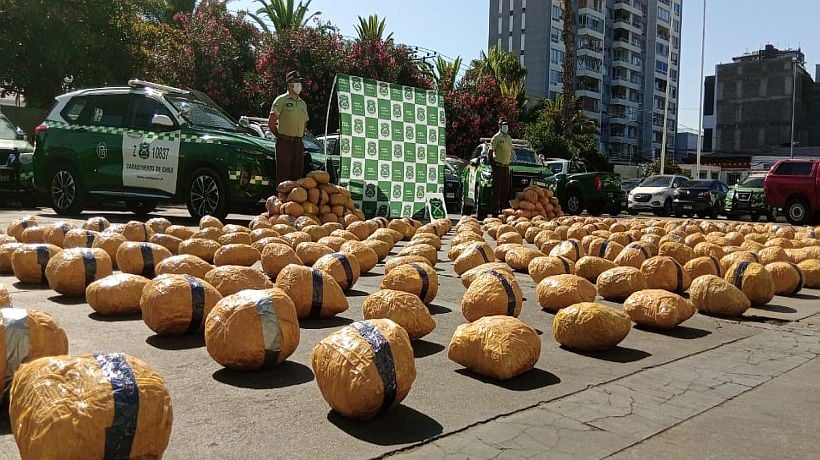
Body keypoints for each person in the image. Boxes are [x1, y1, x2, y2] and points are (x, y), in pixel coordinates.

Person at [268, 70, 309, 184]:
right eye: (296, 82)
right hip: (284, 143)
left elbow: (305, 123)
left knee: (298, 177)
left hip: (298, 143)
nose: (299, 85)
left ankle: (294, 201)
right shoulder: (281, 100)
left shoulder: (302, 103)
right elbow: (271, 123)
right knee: (283, 177)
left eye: (300, 82)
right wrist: (280, 136)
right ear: (289, 84)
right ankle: (280, 201)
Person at [488, 117, 513, 215]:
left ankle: (503, 211)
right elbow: (490, 151)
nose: (505, 127)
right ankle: (494, 212)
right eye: (503, 125)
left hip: (506, 167)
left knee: (505, 190)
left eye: (506, 125)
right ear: (499, 126)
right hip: (498, 166)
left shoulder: (509, 138)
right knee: (496, 190)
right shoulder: (496, 137)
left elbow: (511, 152)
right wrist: (492, 163)